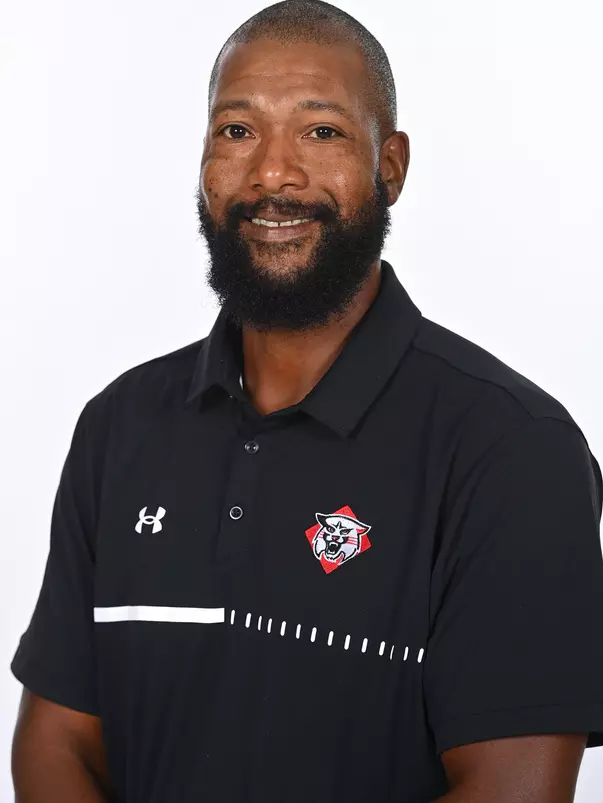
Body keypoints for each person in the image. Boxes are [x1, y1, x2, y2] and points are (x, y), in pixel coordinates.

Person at [10, 2, 603, 801]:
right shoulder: (120, 425)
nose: (272, 174)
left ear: (389, 165)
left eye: (321, 132)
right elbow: (58, 747)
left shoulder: (512, 450)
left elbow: (512, 791)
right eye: (236, 131)